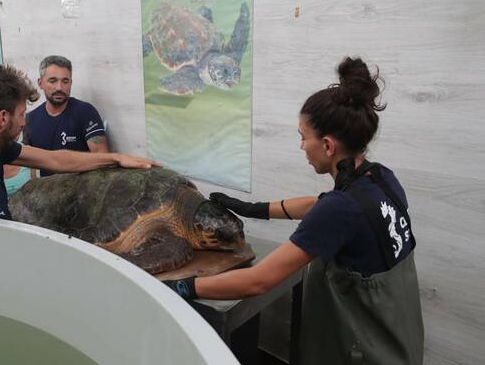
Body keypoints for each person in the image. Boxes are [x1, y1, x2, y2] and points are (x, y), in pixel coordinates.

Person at [163, 57, 424, 365]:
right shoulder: (380, 178)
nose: (301, 146)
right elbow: (321, 204)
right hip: (398, 340)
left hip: (364, 353)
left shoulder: (340, 210)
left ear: (327, 146)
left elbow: (257, 281)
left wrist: (183, 286)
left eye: (303, 137)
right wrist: (250, 208)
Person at [0, 64, 157, 220]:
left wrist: (115, 158)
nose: (24, 123)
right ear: (3, 118)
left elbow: (53, 158)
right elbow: (3, 254)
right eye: (21, 114)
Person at [24, 55, 109, 177]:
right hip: (45, 192)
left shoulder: (85, 112)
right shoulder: (30, 119)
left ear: (71, 83)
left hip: (82, 191)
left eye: (65, 81)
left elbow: (103, 159)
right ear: (40, 83)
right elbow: (27, 167)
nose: (59, 87)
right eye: (52, 81)